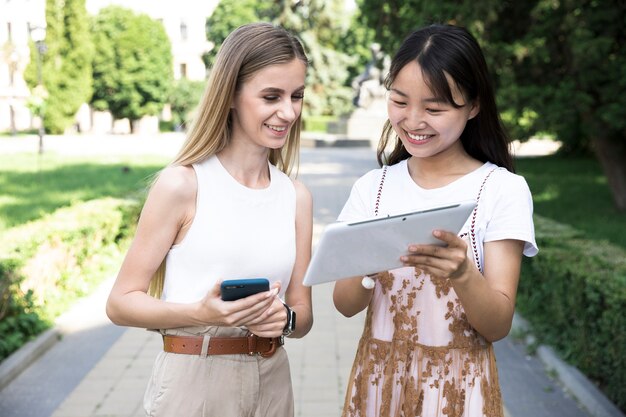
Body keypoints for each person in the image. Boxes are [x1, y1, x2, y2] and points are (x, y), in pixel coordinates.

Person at [106, 22, 313, 417]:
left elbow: (303, 314)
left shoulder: (296, 197)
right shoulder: (183, 184)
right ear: (231, 95)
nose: (288, 112)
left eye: (296, 96)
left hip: (273, 379)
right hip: (193, 380)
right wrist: (199, 314)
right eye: (271, 96)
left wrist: (284, 318)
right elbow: (120, 303)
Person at [333, 24, 538, 417]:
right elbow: (343, 305)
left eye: (434, 108)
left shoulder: (500, 190)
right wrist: (367, 268)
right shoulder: (372, 188)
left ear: (473, 106)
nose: (413, 120)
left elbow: (497, 325)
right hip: (379, 383)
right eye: (399, 101)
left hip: (457, 391)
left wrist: (463, 273)